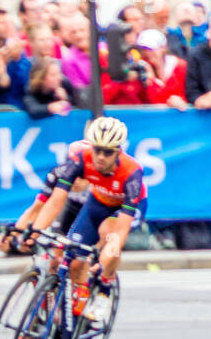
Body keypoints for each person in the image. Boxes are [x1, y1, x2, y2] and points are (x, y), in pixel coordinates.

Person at [29, 116, 147, 325]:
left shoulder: (132, 173)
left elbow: (120, 233)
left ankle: (104, 290)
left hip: (123, 209)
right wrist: (36, 230)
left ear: (119, 151)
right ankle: (74, 315)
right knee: (75, 258)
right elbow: (56, 201)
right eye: (97, 150)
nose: (100, 157)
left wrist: (104, 261)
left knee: (108, 236)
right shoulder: (83, 158)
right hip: (98, 202)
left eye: (108, 152)